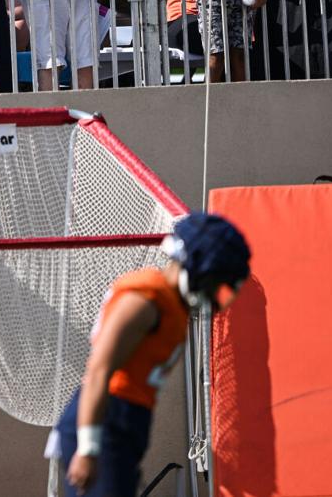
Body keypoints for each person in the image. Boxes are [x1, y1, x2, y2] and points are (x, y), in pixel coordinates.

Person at [50, 212, 251, 497]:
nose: (215, 298)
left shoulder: (173, 306)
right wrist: (89, 448)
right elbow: (98, 371)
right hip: (103, 422)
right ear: (196, 268)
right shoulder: (145, 300)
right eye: (214, 283)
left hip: (124, 427)